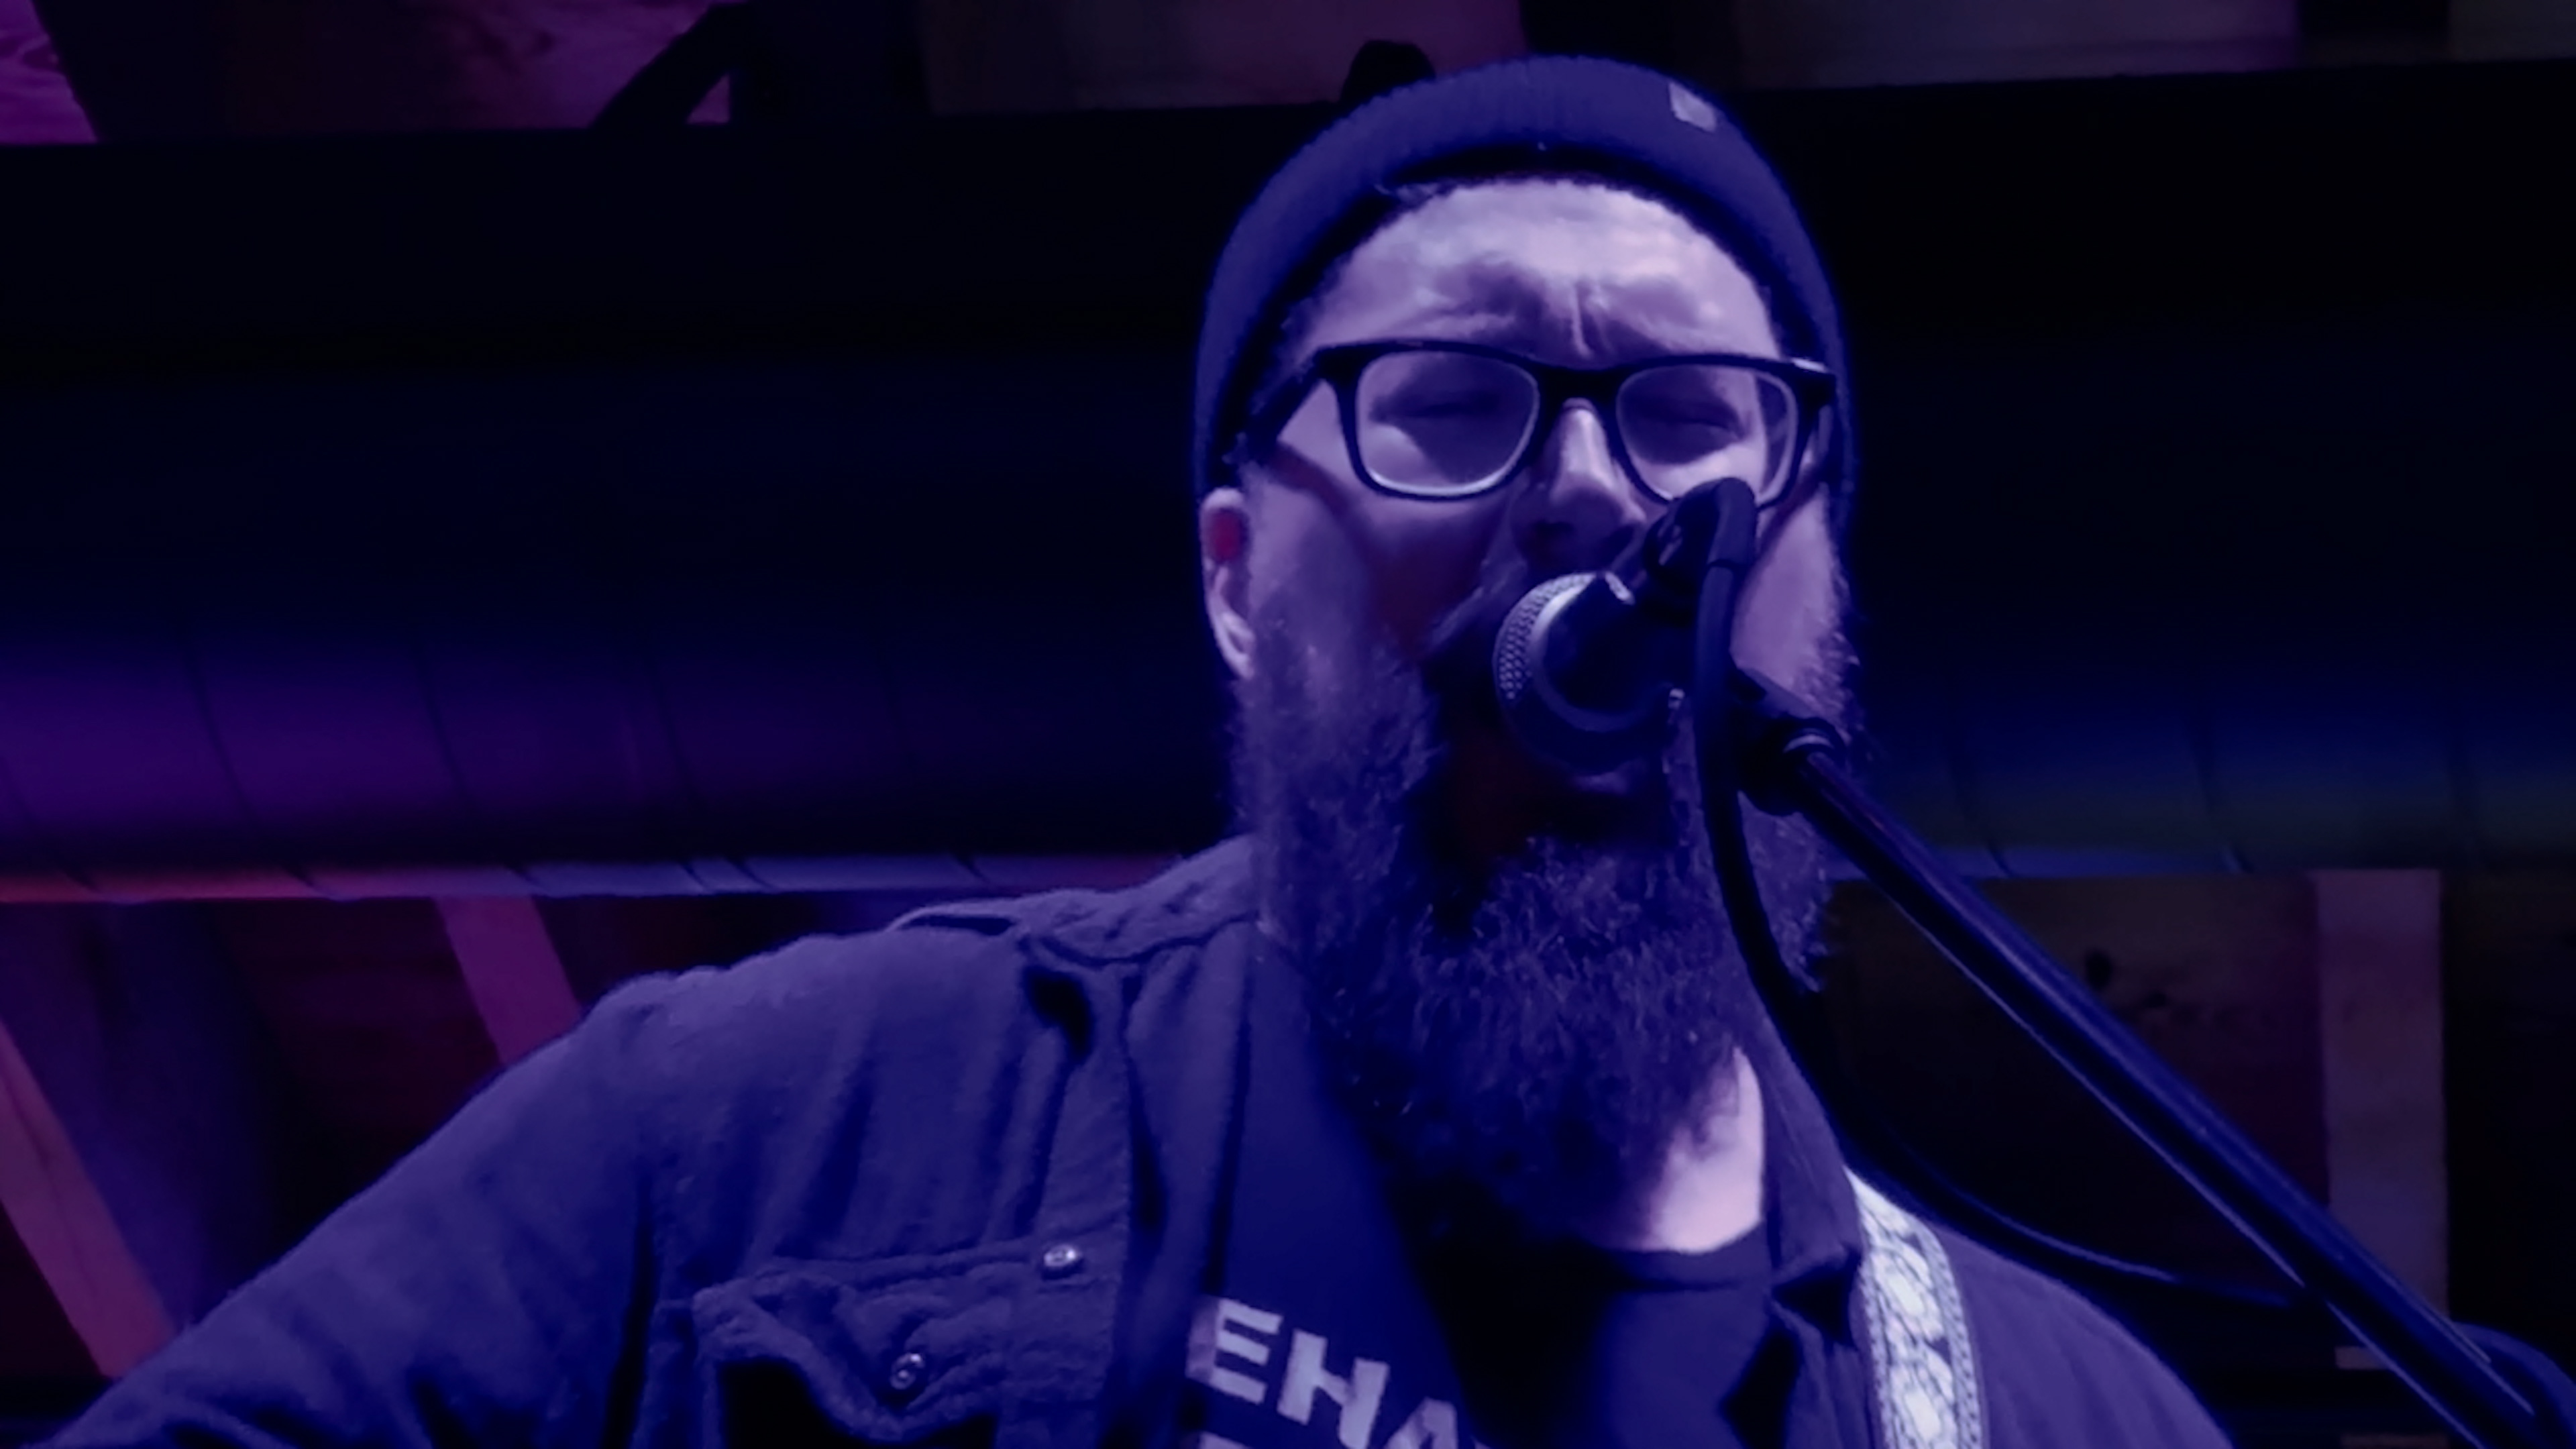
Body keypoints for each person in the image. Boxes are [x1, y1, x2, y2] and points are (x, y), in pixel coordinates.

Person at [43, 55, 2234, 1449]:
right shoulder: (776, 1119)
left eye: (1689, 417)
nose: (1591, 495)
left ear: (1816, 575)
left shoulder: (2059, 1413)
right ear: (1229, 575)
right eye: (1454, 399)